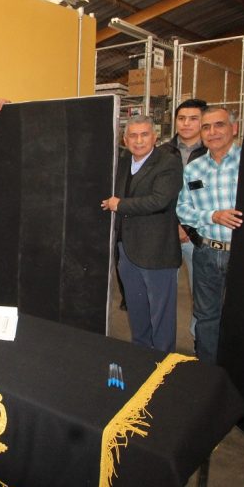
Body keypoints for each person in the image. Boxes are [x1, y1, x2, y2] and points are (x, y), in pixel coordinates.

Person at [102, 115, 183, 353]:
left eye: (144, 134)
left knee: (161, 314)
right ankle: (140, 355)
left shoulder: (168, 163)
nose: (139, 141)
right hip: (126, 251)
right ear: (125, 140)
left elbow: (159, 200)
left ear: (155, 137)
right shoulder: (122, 163)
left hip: (156, 251)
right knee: (137, 309)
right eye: (133, 136)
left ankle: (163, 360)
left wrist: (120, 205)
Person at [175, 106, 242, 364]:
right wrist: (212, 216)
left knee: (241, 316)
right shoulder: (194, 169)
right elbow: (182, 208)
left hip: (241, 254)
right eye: (206, 127)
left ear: (234, 128)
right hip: (206, 252)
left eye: (219, 125)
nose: (212, 132)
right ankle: (208, 371)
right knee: (206, 317)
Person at [163, 98, 208, 338]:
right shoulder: (162, 152)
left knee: (201, 290)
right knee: (162, 291)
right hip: (165, 233)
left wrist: (188, 227)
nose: (186, 123)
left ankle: (198, 339)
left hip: (197, 235)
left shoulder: (211, 152)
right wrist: (174, 226)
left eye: (193, 118)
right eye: (181, 118)